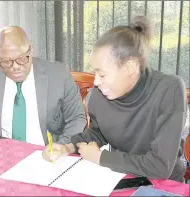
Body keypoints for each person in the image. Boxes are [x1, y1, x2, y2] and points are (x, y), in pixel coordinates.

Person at [43, 15, 187, 182]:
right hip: (119, 177)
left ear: (130, 67)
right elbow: (98, 133)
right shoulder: (102, 91)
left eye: (102, 74)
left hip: (162, 184)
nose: (96, 82)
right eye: (94, 73)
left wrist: (101, 158)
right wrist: (67, 147)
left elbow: (160, 167)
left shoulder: (169, 89)